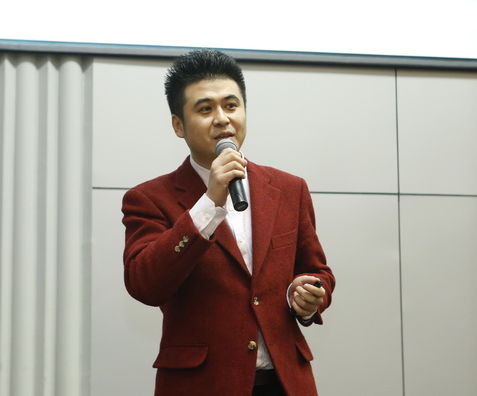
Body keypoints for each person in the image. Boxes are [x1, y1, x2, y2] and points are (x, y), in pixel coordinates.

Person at [122, 49, 335, 396]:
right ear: (178, 125)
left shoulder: (289, 189)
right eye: (205, 109)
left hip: (285, 383)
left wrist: (308, 295)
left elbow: (317, 270)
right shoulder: (148, 198)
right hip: (202, 385)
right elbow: (145, 284)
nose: (222, 119)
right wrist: (209, 202)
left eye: (231, 106)